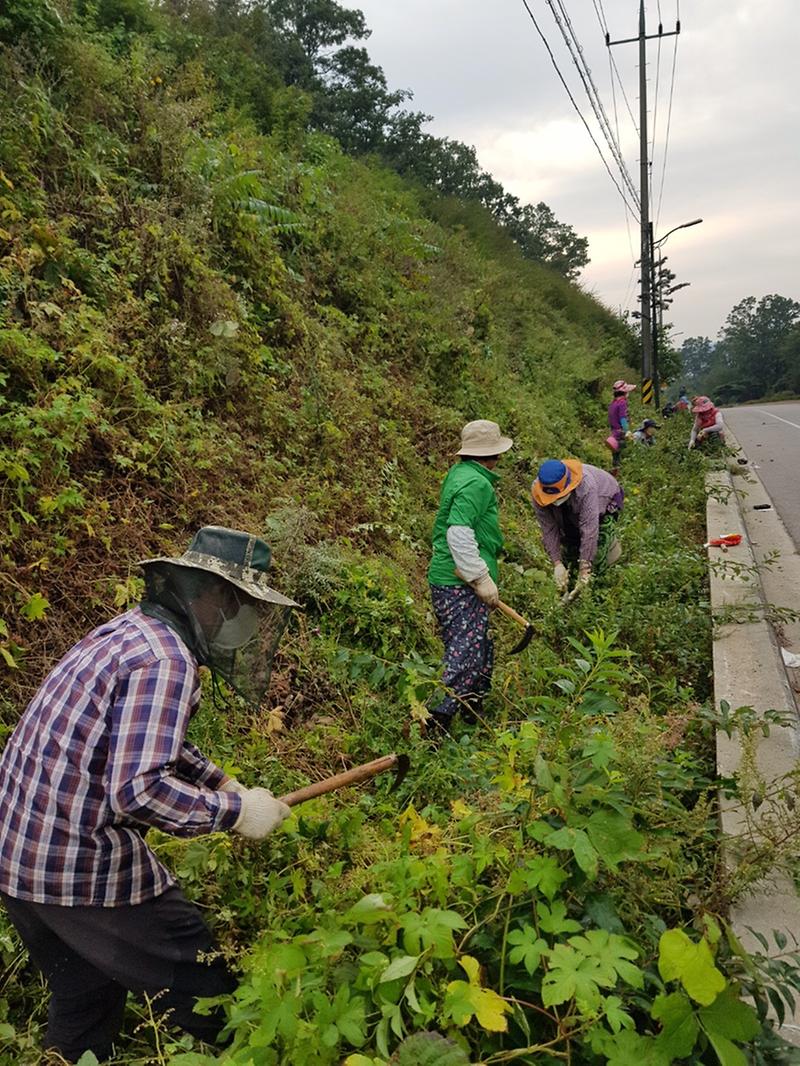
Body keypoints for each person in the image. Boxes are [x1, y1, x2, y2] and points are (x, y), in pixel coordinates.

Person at [0, 526, 299, 1064]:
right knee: (208, 979)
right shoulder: (167, 662)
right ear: (201, 593)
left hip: (18, 861)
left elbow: (140, 739)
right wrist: (236, 813)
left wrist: (218, 781)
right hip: (75, 865)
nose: (239, 618)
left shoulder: (130, 634)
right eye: (234, 602)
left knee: (85, 996)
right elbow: (139, 790)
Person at [427, 419, 513, 730]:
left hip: (453, 579)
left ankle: (472, 707)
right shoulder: (477, 483)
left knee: (479, 646)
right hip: (458, 582)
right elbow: (459, 532)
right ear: (492, 454)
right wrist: (480, 577)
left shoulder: (460, 473)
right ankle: (435, 722)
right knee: (464, 653)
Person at [532, 460, 624, 597]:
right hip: (571, 509)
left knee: (597, 553)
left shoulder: (586, 486)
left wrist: (585, 569)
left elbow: (589, 528)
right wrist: (557, 563)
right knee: (570, 548)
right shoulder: (538, 492)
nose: (556, 500)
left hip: (605, 501)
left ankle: (596, 592)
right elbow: (549, 529)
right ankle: (570, 591)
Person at [607, 380, 636, 449]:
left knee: (616, 456)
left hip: (613, 434)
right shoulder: (622, 403)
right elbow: (623, 418)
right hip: (620, 434)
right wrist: (626, 431)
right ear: (625, 392)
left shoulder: (613, 403)